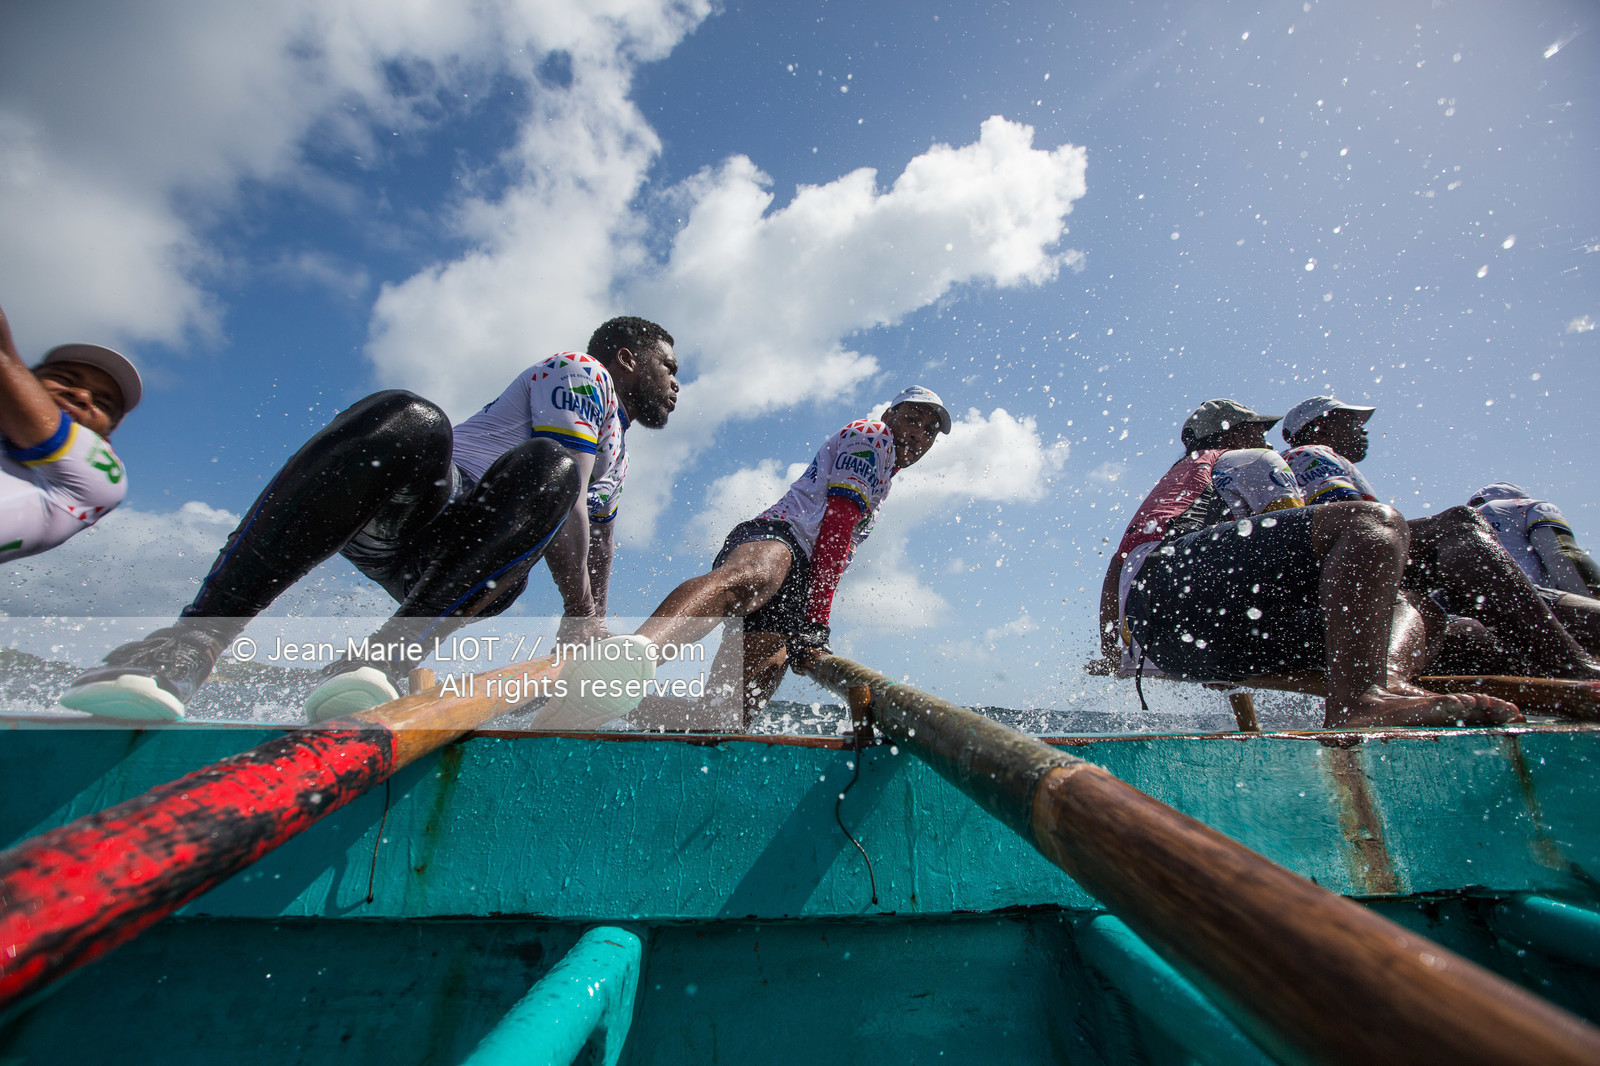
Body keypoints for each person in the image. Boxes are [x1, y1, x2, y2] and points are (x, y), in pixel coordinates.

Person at [60, 316, 679, 722]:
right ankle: (191, 643)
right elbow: (567, 497)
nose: (677, 383)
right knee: (414, 416)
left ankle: (381, 661)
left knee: (556, 473)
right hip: (405, 508)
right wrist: (580, 618)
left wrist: (591, 628)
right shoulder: (582, 371)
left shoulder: (618, 448)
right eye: (668, 367)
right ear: (626, 358)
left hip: (469, 573)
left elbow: (599, 539)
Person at [534, 386, 952, 730]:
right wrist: (816, 624)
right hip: (779, 538)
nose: (919, 435)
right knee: (751, 577)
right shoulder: (875, 437)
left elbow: (838, 550)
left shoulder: (884, 482)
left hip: (801, 583)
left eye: (930, 430)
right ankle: (634, 655)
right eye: (913, 419)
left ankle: (593, 700)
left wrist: (805, 618)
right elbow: (836, 529)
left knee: (723, 718)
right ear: (889, 414)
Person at [1100, 398, 1518, 729]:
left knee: (1412, 614)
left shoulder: (1173, 487)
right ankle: (1362, 698)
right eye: (1258, 430)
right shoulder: (1248, 460)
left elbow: (1115, 570)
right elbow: (1309, 551)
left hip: (1166, 642)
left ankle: (1378, 685)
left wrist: (1112, 653)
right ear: (1234, 433)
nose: (1266, 440)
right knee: (1371, 523)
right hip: (1184, 596)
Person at [1280, 396, 1600, 679]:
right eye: (1350, 422)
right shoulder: (1311, 455)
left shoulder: (1292, 466)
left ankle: (1567, 662)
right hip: (1365, 605)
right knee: (1458, 529)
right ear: (1320, 428)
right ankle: (1574, 669)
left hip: (1360, 607)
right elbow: (1355, 533)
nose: (1361, 430)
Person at [0, 300, 141, 562]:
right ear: (28, 378)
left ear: (104, 440)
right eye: (65, 379)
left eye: (102, 402)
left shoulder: (101, 482)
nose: (81, 395)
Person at [1469, 482, 1600, 656]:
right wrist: (1594, 601)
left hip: (1467, 617)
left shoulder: (1453, 524)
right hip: (1524, 606)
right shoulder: (1528, 506)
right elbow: (1562, 555)